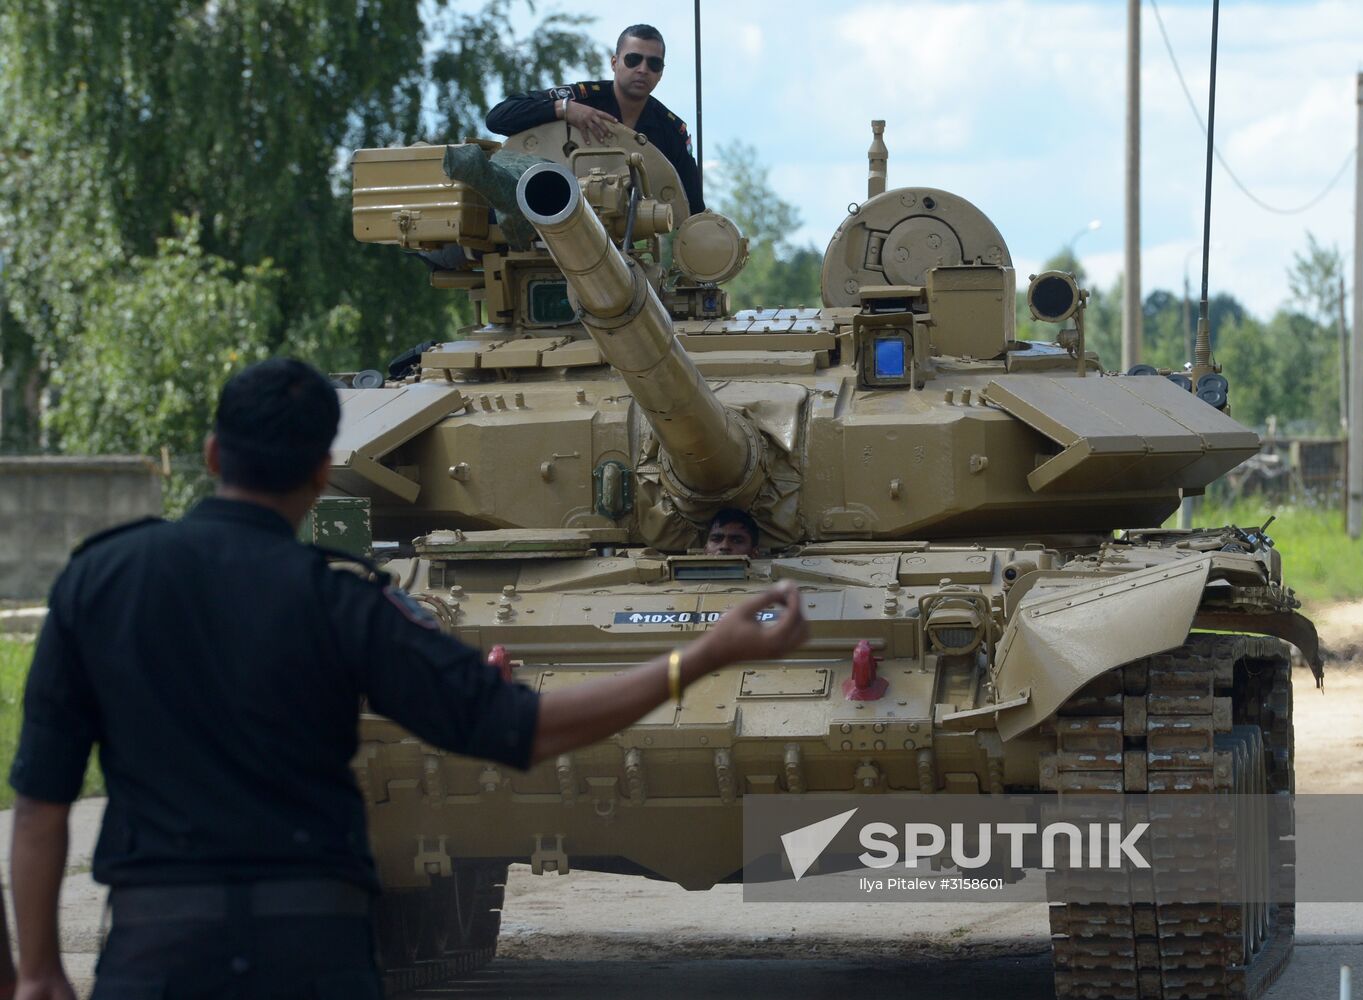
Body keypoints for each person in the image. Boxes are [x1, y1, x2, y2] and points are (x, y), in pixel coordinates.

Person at [9, 358, 806, 1000]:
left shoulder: (98, 582)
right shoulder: (346, 601)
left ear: (214, 455)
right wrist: (699, 657)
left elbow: (40, 800)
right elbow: (521, 731)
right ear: (324, 472)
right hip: (310, 948)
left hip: (156, 945)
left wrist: (37, 969)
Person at [485, 23, 704, 213]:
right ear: (614, 63)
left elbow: (692, 205)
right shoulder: (582, 98)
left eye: (653, 64)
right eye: (633, 59)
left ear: (661, 73)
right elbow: (497, 118)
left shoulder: (671, 130)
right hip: (545, 213)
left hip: (622, 241)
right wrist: (564, 110)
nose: (643, 69)